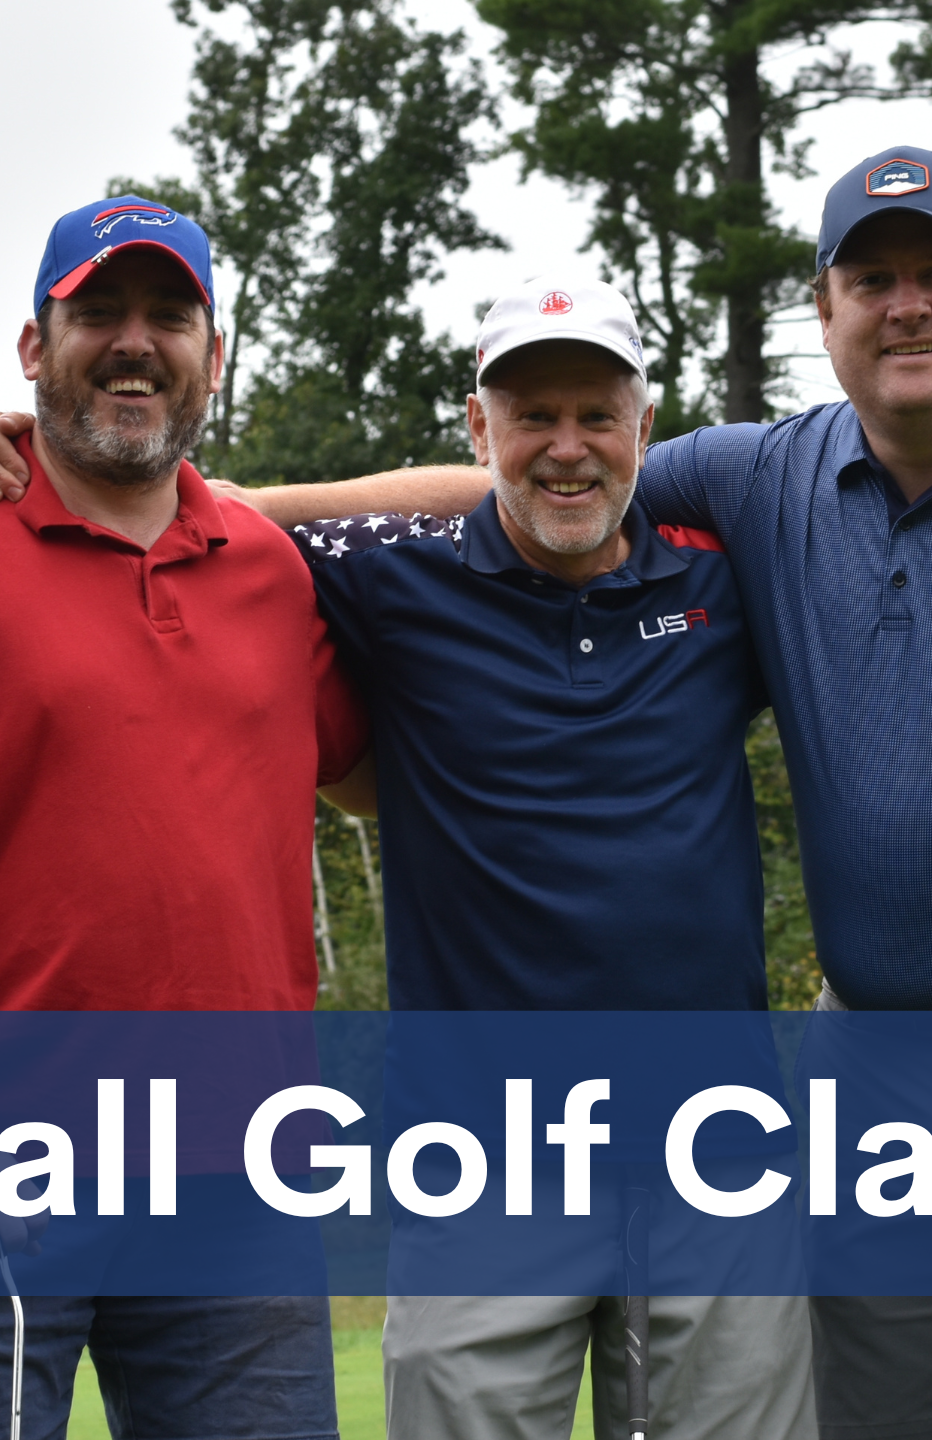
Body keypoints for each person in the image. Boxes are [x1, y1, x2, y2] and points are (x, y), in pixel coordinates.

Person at [0, 144, 932, 1440]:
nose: (907, 305)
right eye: (874, 278)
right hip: (830, 1064)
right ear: (827, 308)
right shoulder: (759, 480)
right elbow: (505, 484)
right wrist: (216, 498)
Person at [0, 195, 367, 1440]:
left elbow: (368, 765)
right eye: (99, 315)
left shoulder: (266, 567)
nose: (135, 343)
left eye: (169, 317)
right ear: (35, 347)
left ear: (213, 355)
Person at [282, 273, 817, 1439]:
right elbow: (194, 526)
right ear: (479, 429)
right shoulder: (391, 580)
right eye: (530, 416)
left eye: (595, 416)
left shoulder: (723, 579)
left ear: (643, 427)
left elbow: (885, 472)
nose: (565, 449)